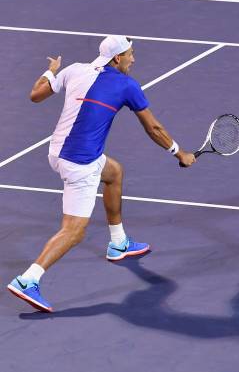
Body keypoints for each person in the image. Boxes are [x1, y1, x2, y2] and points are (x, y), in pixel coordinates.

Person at [7, 35, 196, 312]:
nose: (134, 59)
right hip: (79, 162)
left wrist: (52, 70)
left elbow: (36, 95)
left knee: (113, 172)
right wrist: (180, 153)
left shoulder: (73, 70)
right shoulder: (127, 85)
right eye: (131, 54)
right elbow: (154, 128)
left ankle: (118, 243)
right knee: (74, 231)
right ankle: (28, 280)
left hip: (57, 152)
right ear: (117, 58)